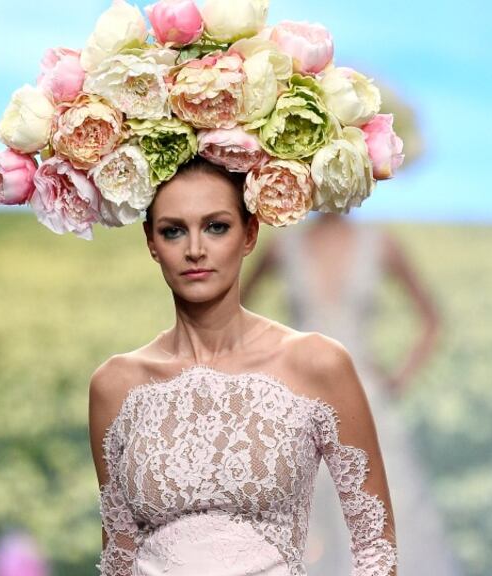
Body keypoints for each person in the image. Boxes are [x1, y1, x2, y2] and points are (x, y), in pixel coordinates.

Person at [88, 157, 399, 575]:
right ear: (151, 241)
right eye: (173, 230)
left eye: (216, 226)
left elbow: (375, 548)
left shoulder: (316, 363)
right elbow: (118, 560)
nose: (195, 249)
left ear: (250, 233)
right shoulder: (115, 385)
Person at [240, 212, 463, 576]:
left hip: (367, 403)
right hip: (297, 406)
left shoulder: (380, 243)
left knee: (381, 515)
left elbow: (431, 320)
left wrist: (396, 380)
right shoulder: (284, 245)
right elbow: (234, 314)